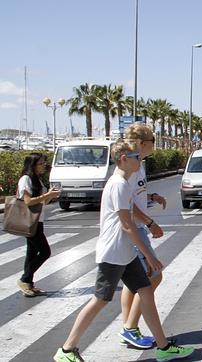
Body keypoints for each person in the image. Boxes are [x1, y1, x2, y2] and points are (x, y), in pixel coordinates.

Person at [54, 139, 193, 362]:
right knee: (100, 300)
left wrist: (147, 230)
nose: (140, 160)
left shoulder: (124, 183)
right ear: (123, 159)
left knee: (146, 291)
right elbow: (127, 225)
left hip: (125, 253)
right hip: (113, 252)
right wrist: (149, 256)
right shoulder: (118, 184)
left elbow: (132, 215)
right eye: (136, 157)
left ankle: (163, 347)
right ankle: (67, 350)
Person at [119, 124, 168, 349]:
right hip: (134, 229)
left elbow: (136, 195)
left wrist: (152, 197)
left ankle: (129, 328)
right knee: (153, 276)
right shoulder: (132, 166)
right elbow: (127, 204)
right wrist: (150, 222)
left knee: (132, 283)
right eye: (152, 140)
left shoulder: (139, 165)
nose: (154, 144)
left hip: (134, 227)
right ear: (141, 143)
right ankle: (130, 328)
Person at [16, 153, 61, 297]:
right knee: (45, 252)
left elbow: (42, 202)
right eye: (41, 163)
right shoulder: (26, 179)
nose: (44, 166)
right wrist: (47, 196)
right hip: (29, 221)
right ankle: (24, 279)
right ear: (33, 165)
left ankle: (28, 283)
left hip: (37, 220)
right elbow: (28, 201)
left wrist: (50, 195)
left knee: (32, 253)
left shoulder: (37, 180)